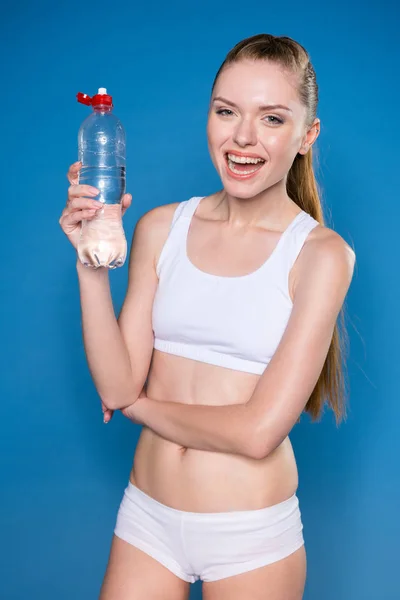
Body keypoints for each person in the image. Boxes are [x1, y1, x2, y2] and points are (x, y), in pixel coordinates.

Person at [60, 33, 356, 600]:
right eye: (227, 112)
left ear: (306, 136)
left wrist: (138, 406)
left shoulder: (320, 256)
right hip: (146, 515)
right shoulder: (159, 227)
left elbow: (256, 432)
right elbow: (116, 381)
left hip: (249, 535)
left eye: (271, 118)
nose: (242, 137)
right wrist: (91, 262)